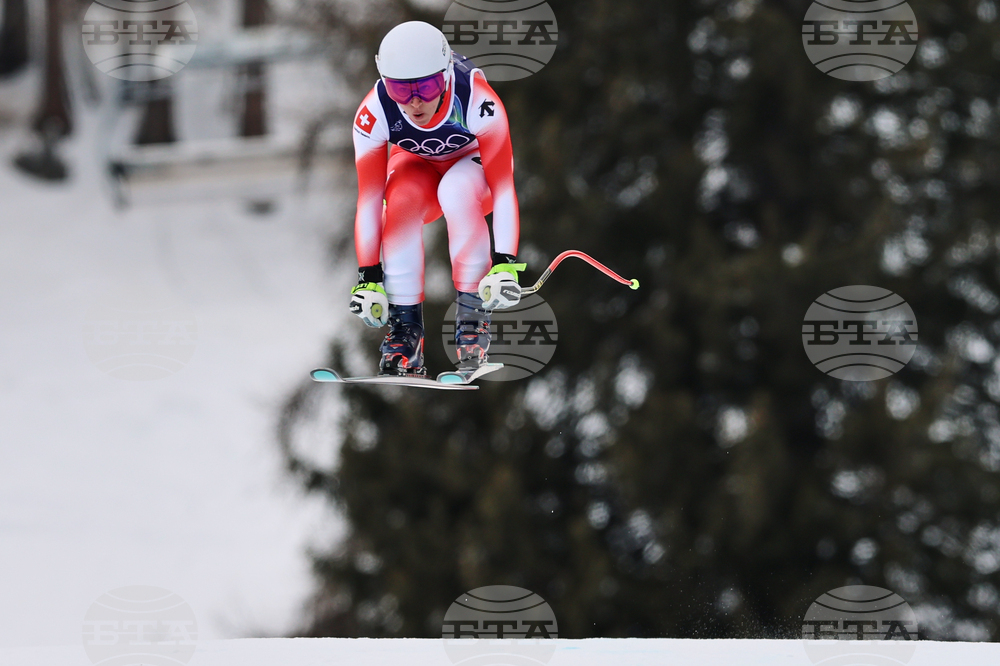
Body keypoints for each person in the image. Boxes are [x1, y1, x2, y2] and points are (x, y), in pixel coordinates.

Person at [348, 21, 525, 376]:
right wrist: (368, 278)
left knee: (456, 189)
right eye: (400, 90)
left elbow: (503, 186)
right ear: (385, 83)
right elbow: (369, 199)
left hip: (476, 173)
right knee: (398, 198)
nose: (414, 102)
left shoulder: (477, 99)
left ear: (444, 76)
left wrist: (505, 264)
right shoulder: (373, 112)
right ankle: (404, 333)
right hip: (420, 169)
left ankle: (473, 322)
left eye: (426, 87)